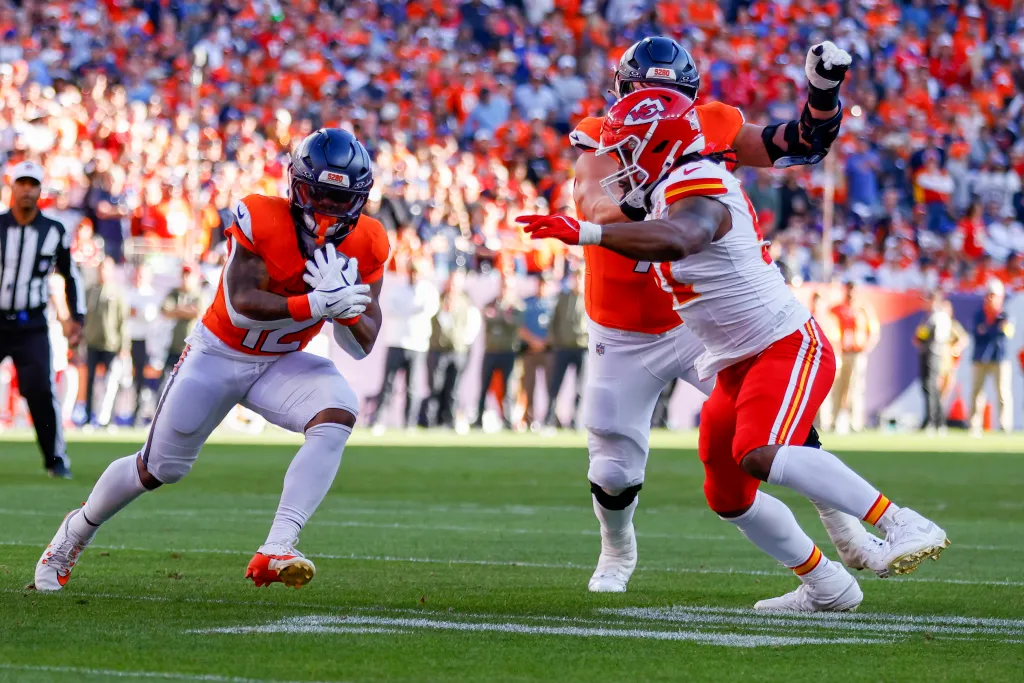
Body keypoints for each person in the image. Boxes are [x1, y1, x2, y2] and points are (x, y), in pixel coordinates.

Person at [521, 87, 949, 612]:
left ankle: (900, 521)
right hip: (726, 358)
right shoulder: (663, 183)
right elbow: (629, 205)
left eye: (632, 149)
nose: (620, 162)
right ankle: (827, 587)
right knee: (726, 494)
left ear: (661, 142)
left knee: (761, 450)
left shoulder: (696, 180)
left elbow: (681, 236)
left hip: (781, 344)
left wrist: (588, 233)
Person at [34, 128, 389, 592]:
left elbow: (362, 343)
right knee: (158, 469)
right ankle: (73, 533)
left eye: (338, 200)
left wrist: (347, 308)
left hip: (282, 361)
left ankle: (278, 545)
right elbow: (241, 303)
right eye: (317, 194)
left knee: (337, 411)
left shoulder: (369, 241)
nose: (325, 210)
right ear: (295, 186)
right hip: (219, 353)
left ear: (359, 201)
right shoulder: (262, 216)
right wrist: (316, 305)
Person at [565, 37, 857, 593]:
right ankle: (617, 548)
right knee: (611, 462)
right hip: (622, 329)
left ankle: (843, 526)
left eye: (667, 98)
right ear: (623, 97)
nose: (655, 114)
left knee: (775, 424)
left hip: (697, 325)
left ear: (689, 98)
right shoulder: (600, 140)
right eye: (644, 99)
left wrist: (823, 93)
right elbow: (595, 207)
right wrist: (644, 190)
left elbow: (802, 143)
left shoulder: (711, 127)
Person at [0, 160, 84, 478]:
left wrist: (77, 317)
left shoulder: (53, 231)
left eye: (32, 184)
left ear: (39, 190)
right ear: (12, 186)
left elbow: (70, 275)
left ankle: (54, 459)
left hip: (31, 323)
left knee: (40, 390)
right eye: (21, 183)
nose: (26, 189)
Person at [368, 258, 439, 431]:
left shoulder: (428, 290)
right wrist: (413, 310)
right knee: (388, 384)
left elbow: (429, 310)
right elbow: (391, 309)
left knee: (412, 387)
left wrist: (408, 310)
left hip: (418, 344)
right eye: (412, 271)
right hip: (396, 342)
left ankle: (409, 423)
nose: (415, 275)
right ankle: (379, 421)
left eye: (418, 272)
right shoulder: (396, 290)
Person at [419, 270, 481, 429]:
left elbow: (473, 323)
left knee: (453, 388)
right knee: (435, 386)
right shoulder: (437, 299)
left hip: (458, 350)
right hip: (437, 349)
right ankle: (431, 421)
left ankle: (449, 420)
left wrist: (465, 341)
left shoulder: (466, 301)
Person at [82, 257, 130, 428]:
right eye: (101, 269)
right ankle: (88, 418)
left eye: (106, 269)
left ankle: (109, 419)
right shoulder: (89, 291)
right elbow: (84, 318)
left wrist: (124, 345)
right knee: (90, 382)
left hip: (110, 344)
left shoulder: (117, 292)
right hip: (92, 342)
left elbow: (122, 320)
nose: (103, 272)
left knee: (111, 382)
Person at [473, 276, 524, 430]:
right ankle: (478, 419)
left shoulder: (516, 305)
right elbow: (485, 315)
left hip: (508, 351)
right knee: (484, 387)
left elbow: (513, 322)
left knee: (507, 388)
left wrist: (498, 315)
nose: (504, 290)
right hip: (491, 350)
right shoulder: (491, 302)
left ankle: (507, 420)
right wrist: (500, 316)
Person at [829, 281, 880, 433]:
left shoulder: (863, 309)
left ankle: (855, 422)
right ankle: (835, 419)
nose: (851, 293)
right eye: (849, 290)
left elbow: (874, 331)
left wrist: (866, 347)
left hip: (857, 353)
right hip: (841, 352)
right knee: (838, 386)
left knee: (855, 387)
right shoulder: (838, 308)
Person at [915, 291, 967, 434]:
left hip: (935, 354)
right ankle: (933, 420)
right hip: (929, 353)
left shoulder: (939, 317)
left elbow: (933, 336)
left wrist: (955, 350)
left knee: (933, 388)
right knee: (929, 388)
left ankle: (935, 420)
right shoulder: (928, 316)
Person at [969, 279, 1015, 435]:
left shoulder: (1004, 315)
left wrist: (988, 330)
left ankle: (1004, 425)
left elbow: (1006, 333)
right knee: (977, 392)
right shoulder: (979, 314)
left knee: (1002, 392)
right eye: (989, 294)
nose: (990, 298)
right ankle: (975, 425)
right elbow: (977, 333)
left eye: (993, 295)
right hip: (980, 357)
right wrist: (994, 330)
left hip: (999, 357)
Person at [544, 267, 588, 429]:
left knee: (580, 387)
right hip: (562, 347)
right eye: (575, 278)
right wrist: (555, 341)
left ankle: (576, 420)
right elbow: (554, 321)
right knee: (555, 385)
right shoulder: (563, 297)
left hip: (582, 348)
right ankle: (549, 419)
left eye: (580, 278)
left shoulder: (590, 299)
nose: (577, 281)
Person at [518, 274, 557, 430]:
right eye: (541, 283)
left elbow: (558, 327)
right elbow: (519, 325)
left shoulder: (554, 303)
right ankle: (529, 419)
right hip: (529, 350)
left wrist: (546, 341)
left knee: (551, 386)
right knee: (529, 386)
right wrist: (533, 341)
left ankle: (550, 418)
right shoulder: (527, 303)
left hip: (548, 350)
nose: (543, 287)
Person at [158, 264, 205, 393]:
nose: (185, 278)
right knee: (165, 385)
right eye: (184, 275)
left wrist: (177, 310)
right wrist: (186, 310)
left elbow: (197, 312)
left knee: (187, 388)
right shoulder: (174, 293)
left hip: (191, 350)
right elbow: (165, 310)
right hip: (172, 346)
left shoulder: (199, 295)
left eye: (189, 275)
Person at [125, 263, 159, 426]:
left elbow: (149, 315)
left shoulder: (152, 295)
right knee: (125, 378)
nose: (138, 278)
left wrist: (135, 311)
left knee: (143, 380)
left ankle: (140, 414)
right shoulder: (127, 292)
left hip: (145, 342)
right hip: (127, 340)